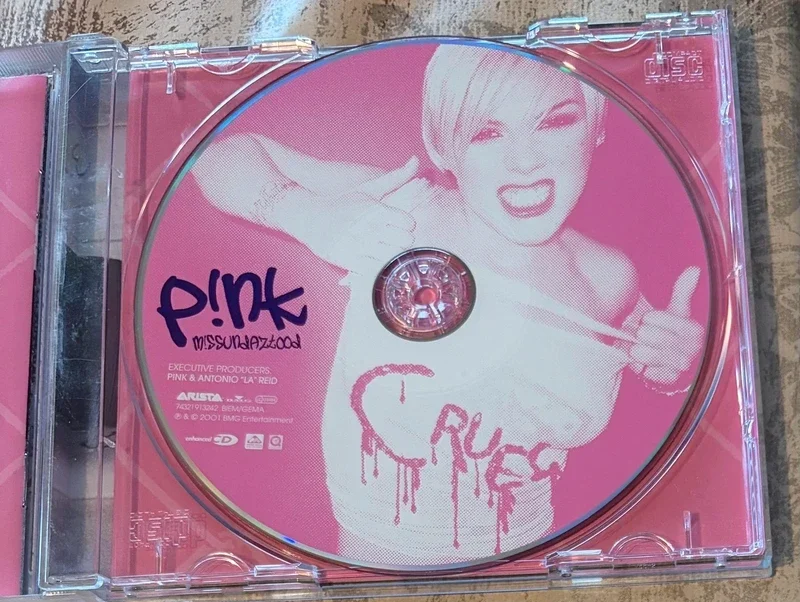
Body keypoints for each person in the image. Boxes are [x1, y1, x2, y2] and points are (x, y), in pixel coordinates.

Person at [192, 42, 704, 566]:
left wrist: (675, 369)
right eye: (486, 132)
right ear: (443, 149)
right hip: (377, 579)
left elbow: (649, 353)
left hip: (534, 570)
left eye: (555, 122)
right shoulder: (406, 210)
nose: (525, 160)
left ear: (595, 129)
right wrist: (305, 214)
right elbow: (218, 157)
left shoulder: (609, 274)